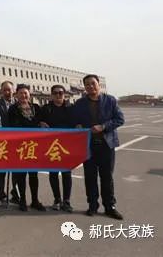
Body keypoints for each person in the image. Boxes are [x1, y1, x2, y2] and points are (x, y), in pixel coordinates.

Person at [73, 74, 125, 220]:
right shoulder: (80, 103)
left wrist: (103, 127)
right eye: (87, 84)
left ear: (99, 85)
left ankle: (110, 206)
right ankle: (92, 205)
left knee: (107, 177)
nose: (90, 86)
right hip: (88, 146)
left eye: (93, 83)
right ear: (84, 87)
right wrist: (77, 125)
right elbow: (74, 120)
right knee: (90, 177)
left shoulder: (110, 100)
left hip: (106, 145)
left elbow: (120, 119)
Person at [8, 84, 46, 212]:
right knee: (21, 175)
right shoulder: (13, 109)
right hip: (19, 148)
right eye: (21, 93)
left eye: (26, 93)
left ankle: (35, 200)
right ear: (16, 95)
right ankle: (22, 200)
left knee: (33, 175)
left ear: (29, 94)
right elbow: (10, 127)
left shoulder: (36, 108)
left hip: (34, 147)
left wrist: (41, 124)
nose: (24, 95)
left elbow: (41, 122)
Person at [39, 84, 74, 213]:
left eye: (60, 93)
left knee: (66, 173)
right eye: (55, 93)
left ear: (64, 94)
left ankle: (67, 200)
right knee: (53, 173)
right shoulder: (46, 109)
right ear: (51, 95)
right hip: (51, 146)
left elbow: (77, 122)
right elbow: (39, 121)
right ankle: (57, 199)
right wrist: (40, 123)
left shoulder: (70, 108)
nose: (58, 95)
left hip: (66, 146)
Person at [0, 81, 17, 204]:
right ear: (1, 91)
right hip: (0, 142)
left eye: (9, 90)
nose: (7, 92)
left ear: (13, 90)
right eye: (5, 90)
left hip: (16, 143)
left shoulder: (19, 104)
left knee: (17, 170)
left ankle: (16, 193)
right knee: (0, 171)